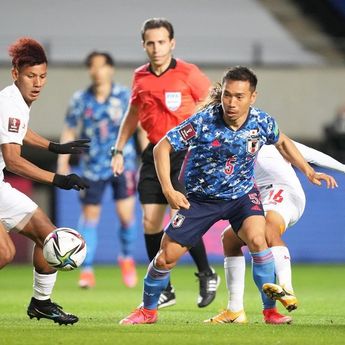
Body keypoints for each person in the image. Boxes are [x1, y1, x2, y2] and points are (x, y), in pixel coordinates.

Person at [118, 66, 335, 325]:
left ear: (252, 97)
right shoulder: (203, 121)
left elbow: (284, 142)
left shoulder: (261, 122)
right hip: (201, 200)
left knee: (259, 239)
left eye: (239, 97)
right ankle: (148, 311)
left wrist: (308, 171)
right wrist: (168, 189)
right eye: (227, 95)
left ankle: (270, 312)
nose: (231, 103)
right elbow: (161, 147)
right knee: (166, 256)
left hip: (242, 197)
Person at [111, 17, 220, 308]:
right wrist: (118, 149)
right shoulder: (140, 77)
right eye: (151, 42)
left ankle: (206, 273)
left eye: (161, 42)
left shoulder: (189, 73)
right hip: (153, 152)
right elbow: (133, 114)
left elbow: (213, 104)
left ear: (171, 43)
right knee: (150, 221)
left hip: (185, 153)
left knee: (181, 213)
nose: (156, 48)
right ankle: (165, 288)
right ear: (144, 45)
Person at [0, 37, 89, 325]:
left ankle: (41, 303)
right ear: (15, 74)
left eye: (42, 76)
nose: (37, 83)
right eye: (30, 76)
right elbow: (13, 160)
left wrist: (54, 147)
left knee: (49, 235)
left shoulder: (16, 101)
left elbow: (19, 131)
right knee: (5, 253)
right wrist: (58, 179)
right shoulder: (9, 103)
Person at [205, 142, 341, 325]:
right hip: (258, 197)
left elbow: (312, 155)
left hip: (283, 191)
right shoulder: (227, 148)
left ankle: (287, 287)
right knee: (230, 239)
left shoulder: (268, 138)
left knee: (267, 230)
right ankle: (236, 310)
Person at [57, 51, 138, 289]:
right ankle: (87, 268)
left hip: (123, 163)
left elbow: (138, 126)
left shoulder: (125, 96)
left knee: (126, 217)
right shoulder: (80, 99)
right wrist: (63, 161)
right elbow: (70, 130)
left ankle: (126, 257)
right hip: (92, 167)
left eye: (101, 66)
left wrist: (149, 153)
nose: (97, 71)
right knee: (90, 218)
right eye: (92, 66)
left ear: (110, 69)